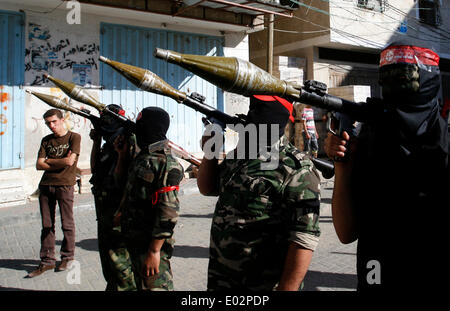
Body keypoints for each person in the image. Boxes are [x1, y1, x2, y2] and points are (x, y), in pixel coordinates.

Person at [324, 41, 448, 292]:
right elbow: (346, 232)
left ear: (427, 83)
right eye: (387, 80)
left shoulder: (445, 143)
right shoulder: (370, 140)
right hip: (376, 276)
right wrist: (342, 166)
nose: (394, 90)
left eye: (405, 79)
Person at [198, 95, 321, 291]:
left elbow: (304, 238)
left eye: (262, 110)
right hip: (221, 281)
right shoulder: (241, 154)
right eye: (253, 109)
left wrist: (287, 288)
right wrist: (209, 151)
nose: (253, 116)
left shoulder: (297, 168)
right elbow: (208, 188)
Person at [114, 106, 184, 291]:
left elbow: (168, 212)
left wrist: (154, 251)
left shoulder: (167, 164)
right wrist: (121, 156)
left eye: (141, 125)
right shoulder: (143, 156)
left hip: (150, 244)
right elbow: (127, 187)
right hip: (134, 240)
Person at [28, 109, 81, 278]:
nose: (51, 126)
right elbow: (39, 164)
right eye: (48, 123)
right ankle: (47, 261)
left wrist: (49, 161)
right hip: (46, 186)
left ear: (62, 120)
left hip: (65, 185)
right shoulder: (46, 140)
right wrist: (59, 161)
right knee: (47, 225)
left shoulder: (74, 137)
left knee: (67, 223)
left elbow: (70, 161)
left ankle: (67, 256)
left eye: (54, 122)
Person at [89, 104, 136, 291]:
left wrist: (122, 210)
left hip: (119, 212)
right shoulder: (109, 143)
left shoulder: (128, 141)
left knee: (121, 264)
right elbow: (95, 170)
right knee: (108, 262)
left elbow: (128, 182)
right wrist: (96, 142)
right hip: (104, 211)